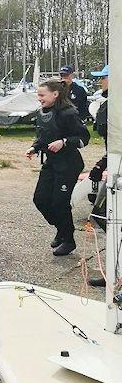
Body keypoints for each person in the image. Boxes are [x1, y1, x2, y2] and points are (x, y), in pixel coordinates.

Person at [25, 79, 90, 256]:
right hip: (51, 163)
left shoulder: (68, 113)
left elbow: (84, 138)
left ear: (55, 94)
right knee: (40, 199)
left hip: (69, 164)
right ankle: (62, 229)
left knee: (59, 202)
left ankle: (68, 240)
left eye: (42, 95)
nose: (39, 99)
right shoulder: (42, 113)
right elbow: (43, 135)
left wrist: (64, 142)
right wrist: (35, 147)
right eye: (38, 95)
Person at [87, 64, 110, 286]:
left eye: (104, 77)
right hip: (114, 164)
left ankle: (115, 273)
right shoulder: (108, 102)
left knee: (105, 216)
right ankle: (114, 271)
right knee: (103, 217)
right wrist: (102, 163)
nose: (100, 81)